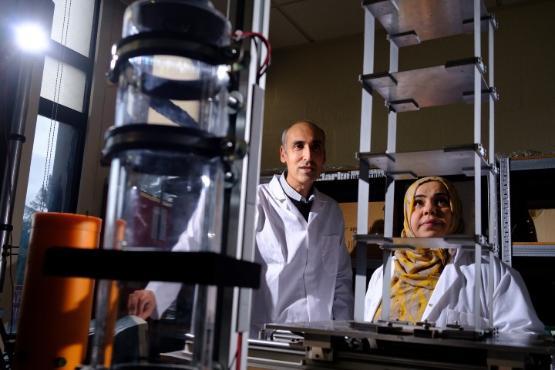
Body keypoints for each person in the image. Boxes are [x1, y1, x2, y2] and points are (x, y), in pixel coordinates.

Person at [129, 120, 353, 336]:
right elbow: (194, 241)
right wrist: (155, 292)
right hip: (267, 339)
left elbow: (341, 278)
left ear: (324, 157)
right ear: (283, 154)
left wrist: (343, 334)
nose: (308, 156)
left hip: (319, 341)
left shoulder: (332, 211)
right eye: (298, 146)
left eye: (315, 147)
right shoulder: (253, 201)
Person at [364, 176, 544, 334]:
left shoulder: (491, 273)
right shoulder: (383, 274)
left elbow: (523, 336)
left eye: (441, 201)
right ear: (407, 214)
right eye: (418, 202)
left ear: (455, 211)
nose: (430, 210)